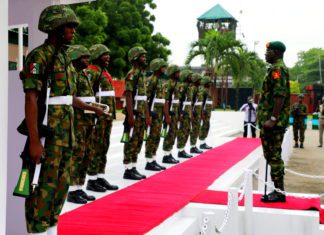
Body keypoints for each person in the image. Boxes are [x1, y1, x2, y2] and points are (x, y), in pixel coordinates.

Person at [20, 5, 105, 234]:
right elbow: (31, 99)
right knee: (42, 191)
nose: (73, 31)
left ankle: (51, 230)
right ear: (55, 27)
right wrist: (35, 141)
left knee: (60, 189)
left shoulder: (65, 59)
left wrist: (91, 107)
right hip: (48, 134)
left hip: (67, 134)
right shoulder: (40, 56)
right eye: (69, 26)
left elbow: (68, 98)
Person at [257, 41, 290, 203]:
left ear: (276, 52)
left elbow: (280, 95)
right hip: (270, 122)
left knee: (274, 155)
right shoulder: (274, 69)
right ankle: (277, 190)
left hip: (273, 123)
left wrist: (273, 119)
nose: (266, 53)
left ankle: (279, 192)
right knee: (271, 155)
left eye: (269, 51)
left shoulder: (277, 70)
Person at [84, 44, 119, 193]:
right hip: (98, 116)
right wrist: (93, 114)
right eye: (105, 54)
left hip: (106, 116)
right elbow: (87, 95)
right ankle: (91, 180)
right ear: (97, 55)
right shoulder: (92, 72)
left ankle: (99, 175)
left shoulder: (103, 72)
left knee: (104, 146)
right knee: (95, 147)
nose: (108, 57)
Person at [66, 45, 97, 204]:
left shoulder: (84, 74)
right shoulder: (73, 74)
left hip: (87, 120)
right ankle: (71, 190)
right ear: (76, 58)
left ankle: (79, 187)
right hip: (78, 120)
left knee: (85, 154)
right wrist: (91, 108)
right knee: (77, 154)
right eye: (84, 57)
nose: (87, 60)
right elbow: (71, 98)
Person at [123, 46, 151, 180]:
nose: (144, 58)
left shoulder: (141, 74)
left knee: (139, 140)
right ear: (135, 58)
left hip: (141, 114)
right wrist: (129, 115)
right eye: (142, 56)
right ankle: (128, 169)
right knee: (131, 141)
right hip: (134, 113)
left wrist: (147, 115)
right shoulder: (132, 74)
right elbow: (128, 95)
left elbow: (144, 98)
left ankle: (133, 167)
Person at [145, 58, 169, 171]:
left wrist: (166, 114)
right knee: (152, 137)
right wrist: (148, 114)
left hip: (159, 114)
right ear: (156, 68)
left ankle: (153, 159)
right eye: (162, 67)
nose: (164, 68)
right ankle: (149, 161)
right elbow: (146, 98)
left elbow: (163, 100)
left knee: (157, 137)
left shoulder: (161, 81)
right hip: (153, 113)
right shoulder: (151, 80)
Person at [162, 64, 181, 164]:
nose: (179, 74)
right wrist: (167, 115)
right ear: (173, 73)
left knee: (173, 133)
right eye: (177, 72)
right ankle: (166, 155)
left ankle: (169, 153)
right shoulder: (168, 84)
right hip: (170, 112)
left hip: (175, 112)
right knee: (169, 134)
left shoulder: (176, 83)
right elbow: (165, 100)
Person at [177, 69, 194, 158]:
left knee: (187, 130)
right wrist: (180, 112)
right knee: (182, 131)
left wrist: (191, 113)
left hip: (188, 111)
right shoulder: (182, 86)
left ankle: (183, 148)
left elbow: (190, 102)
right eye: (190, 76)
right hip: (183, 111)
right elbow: (179, 100)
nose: (191, 77)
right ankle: (180, 150)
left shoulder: (190, 87)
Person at [190, 73, 204, 154]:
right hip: (194, 112)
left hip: (198, 112)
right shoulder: (193, 89)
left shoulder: (199, 89)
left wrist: (201, 112)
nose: (200, 81)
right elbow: (191, 102)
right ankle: (192, 146)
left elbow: (200, 102)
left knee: (197, 129)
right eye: (199, 79)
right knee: (194, 129)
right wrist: (191, 113)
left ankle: (194, 145)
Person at [199, 76, 213, 149]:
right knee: (204, 127)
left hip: (208, 113)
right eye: (209, 82)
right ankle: (201, 143)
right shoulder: (203, 91)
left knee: (206, 127)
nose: (210, 84)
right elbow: (201, 103)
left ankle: (203, 142)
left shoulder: (207, 90)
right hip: (204, 112)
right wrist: (202, 113)